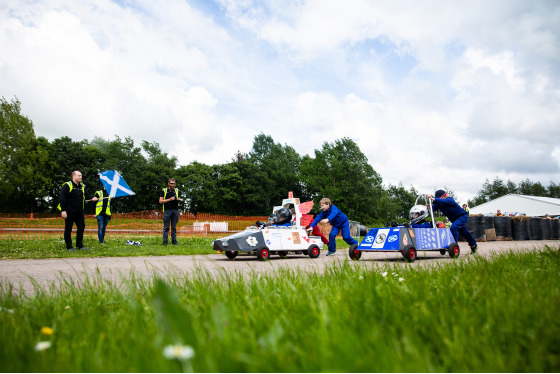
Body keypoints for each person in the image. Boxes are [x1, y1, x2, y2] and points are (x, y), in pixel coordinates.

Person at [59, 171, 98, 252]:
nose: (81, 177)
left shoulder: (82, 186)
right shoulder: (67, 185)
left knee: (81, 227)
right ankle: (69, 246)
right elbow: (62, 198)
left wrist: (93, 198)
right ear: (74, 176)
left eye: (81, 175)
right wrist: (63, 210)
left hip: (79, 211)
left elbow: (87, 195)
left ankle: (79, 245)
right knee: (68, 229)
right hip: (69, 211)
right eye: (79, 175)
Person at [159, 178, 183, 245]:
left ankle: (174, 242)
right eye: (171, 183)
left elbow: (176, 198)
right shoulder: (164, 190)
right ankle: (165, 242)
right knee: (166, 227)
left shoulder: (177, 190)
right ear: (168, 183)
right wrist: (169, 199)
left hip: (175, 210)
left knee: (174, 227)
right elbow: (160, 201)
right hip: (167, 211)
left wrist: (179, 199)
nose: (173, 185)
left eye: (174, 183)